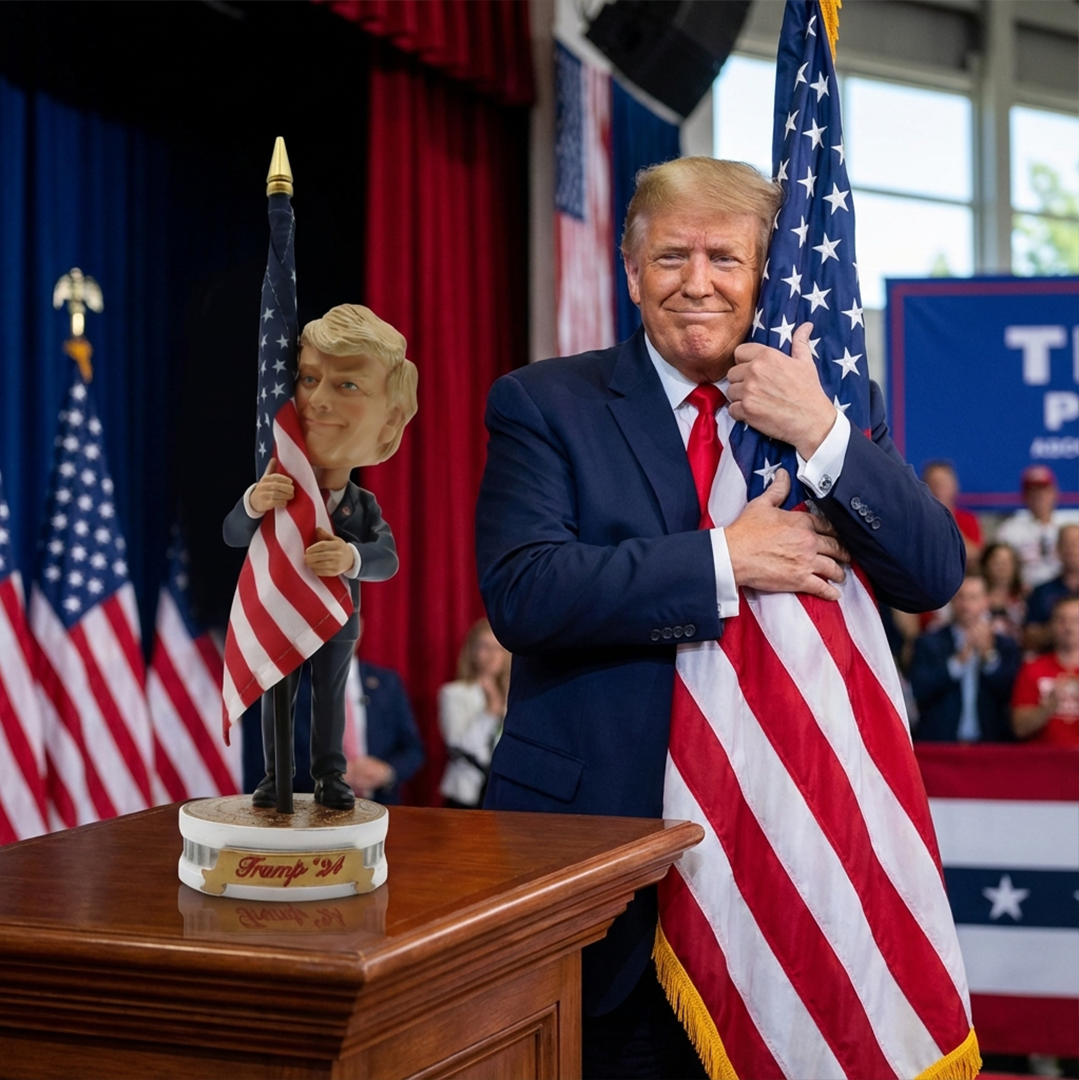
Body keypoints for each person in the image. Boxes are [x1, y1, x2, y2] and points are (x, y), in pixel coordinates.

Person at [475, 157, 965, 1077]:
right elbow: (525, 592)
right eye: (671, 257)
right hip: (598, 874)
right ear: (631, 272)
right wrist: (722, 561)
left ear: (763, 274)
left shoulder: (828, 403)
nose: (697, 283)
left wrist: (820, 430)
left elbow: (932, 571)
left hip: (791, 870)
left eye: (724, 258)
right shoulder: (544, 403)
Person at [224, 304, 418, 810]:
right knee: (277, 691)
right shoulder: (278, 490)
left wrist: (350, 556)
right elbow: (233, 533)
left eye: (347, 384)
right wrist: (254, 502)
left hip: (337, 616)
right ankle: (276, 776)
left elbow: (387, 558)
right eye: (308, 379)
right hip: (279, 608)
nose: (318, 400)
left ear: (390, 422)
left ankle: (331, 776)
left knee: (331, 697)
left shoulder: (361, 504)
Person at [908, 574, 1021, 742]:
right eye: (960, 597)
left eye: (973, 598)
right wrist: (957, 662)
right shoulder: (929, 643)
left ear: (986, 601)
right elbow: (918, 689)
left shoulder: (1005, 645)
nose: (966, 605)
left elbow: (1011, 694)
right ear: (952, 601)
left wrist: (989, 657)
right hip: (940, 744)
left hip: (990, 745)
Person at [342, 620, 425, 804]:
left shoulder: (387, 683)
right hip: (316, 806)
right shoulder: (296, 688)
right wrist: (329, 775)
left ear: (360, 629)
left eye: (348, 624)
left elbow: (413, 749)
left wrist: (386, 771)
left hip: (381, 804)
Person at [438, 618, 510, 809]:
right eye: (485, 647)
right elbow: (460, 747)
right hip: (466, 794)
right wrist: (490, 712)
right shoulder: (454, 694)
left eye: (498, 648)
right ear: (473, 651)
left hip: (504, 795)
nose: (492, 655)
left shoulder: (515, 696)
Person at [996, 465, 1079, 590]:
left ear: (1054, 492)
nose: (1039, 496)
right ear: (1024, 496)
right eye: (1033, 491)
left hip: (1067, 590)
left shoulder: (1071, 524)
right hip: (1024, 593)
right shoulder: (1010, 530)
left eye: (1044, 490)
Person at [1012, 595, 1079, 747]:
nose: (1069, 627)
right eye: (1062, 620)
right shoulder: (1033, 668)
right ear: (1052, 625)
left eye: (1076, 620)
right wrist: (1049, 707)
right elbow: (1019, 728)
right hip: (1042, 758)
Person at [1023, 523, 1079, 654]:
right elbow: (1028, 639)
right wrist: (1060, 628)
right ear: (1057, 549)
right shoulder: (1041, 592)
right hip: (1050, 661)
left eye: (1076, 543)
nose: (1072, 549)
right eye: (1066, 544)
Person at [923, 460, 983, 565]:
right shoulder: (917, 520)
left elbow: (977, 555)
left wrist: (947, 521)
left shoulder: (968, 519)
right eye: (934, 484)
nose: (938, 490)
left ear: (954, 486)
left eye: (942, 484)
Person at [981, 541, 1026, 644]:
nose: (1002, 567)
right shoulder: (976, 595)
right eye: (997, 562)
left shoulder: (1025, 596)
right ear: (986, 564)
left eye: (1007, 562)